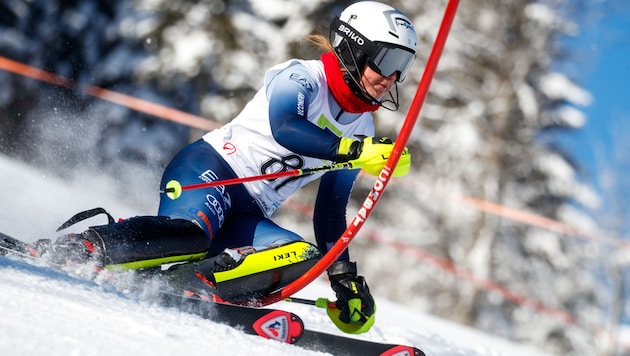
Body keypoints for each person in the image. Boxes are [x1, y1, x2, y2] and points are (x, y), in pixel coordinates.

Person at [31, 1, 417, 332]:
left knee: (303, 259)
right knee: (191, 236)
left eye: (403, 66)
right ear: (353, 48)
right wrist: (352, 149)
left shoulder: (362, 127)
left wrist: (343, 277)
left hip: (249, 211)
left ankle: (194, 284)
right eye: (387, 60)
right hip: (211, 168)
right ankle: (82, 247)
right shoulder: (301, 77)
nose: (393, 77)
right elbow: (287, 128)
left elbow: (331, 211)